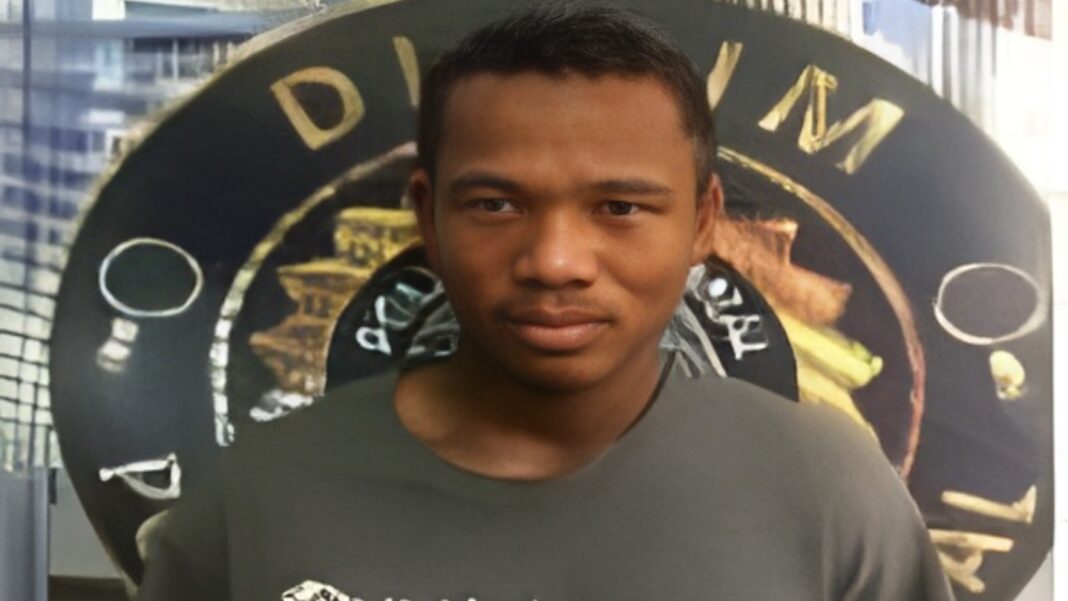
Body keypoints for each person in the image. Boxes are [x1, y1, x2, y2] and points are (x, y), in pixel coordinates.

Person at [138, 5, 955, 601]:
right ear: (427, 215)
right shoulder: (259, 496)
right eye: (495, 204)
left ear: (704, 222)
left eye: (620, 207)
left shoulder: (827, 493)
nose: (555, 261)